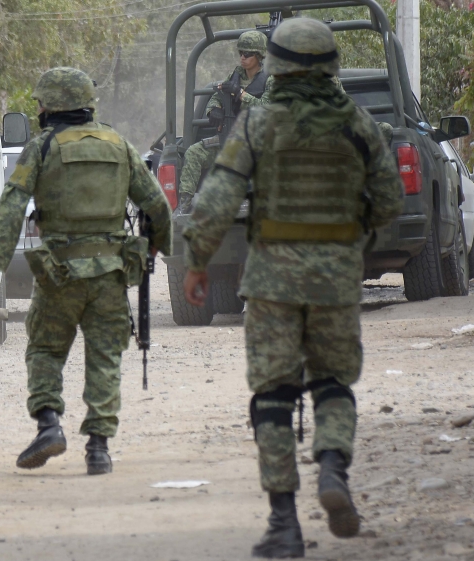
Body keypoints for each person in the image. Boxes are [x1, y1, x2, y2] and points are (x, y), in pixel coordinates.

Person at [181, 18, 404, 558]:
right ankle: (332, 469)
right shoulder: (357, 122)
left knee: (273, 396)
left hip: (271, 281)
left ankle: (284, 523)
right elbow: (390, 201)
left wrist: (198, 262)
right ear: (331, 64)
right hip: (336, 279)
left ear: (275, 64)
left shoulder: (259, 123)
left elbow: (217, 197)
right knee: (332, 383)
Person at [0, 67, 172, 476]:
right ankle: (98, 449)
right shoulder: (119, 145)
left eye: (40, 103)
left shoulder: (42, 147)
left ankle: (49, 426)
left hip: (59, 274)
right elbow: (156, 205)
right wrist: (155, 245)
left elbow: (12, 205)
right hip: (110, 274)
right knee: (105, 357)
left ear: (51, 105)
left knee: (45, 350)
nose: (38, 110)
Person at [178, 30, 270, 210]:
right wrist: (214, 110)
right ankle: (184, 204)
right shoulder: (235, 75)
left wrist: (240, 94)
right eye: (240, 53)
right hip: (229, 139)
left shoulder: (270, 79)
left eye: (247, 54)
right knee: (194, 152)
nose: (242, 57)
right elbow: (216, 96)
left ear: (259, 55)